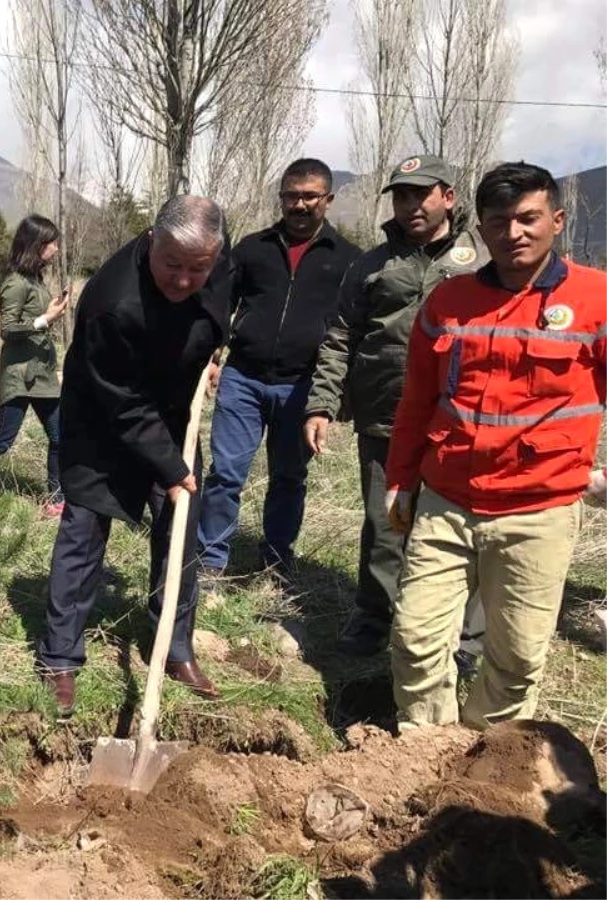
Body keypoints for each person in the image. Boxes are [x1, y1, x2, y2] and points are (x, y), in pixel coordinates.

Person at [384, 161, 607, 730]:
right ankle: (423, 745)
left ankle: (488, 760)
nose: (514, 233)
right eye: (499, 222)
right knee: (414, 638)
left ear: (557, 220)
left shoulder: (595, 299)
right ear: (480, 230)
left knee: (515, 657)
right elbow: (416, 403)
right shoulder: (448, 302)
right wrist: (398, 481)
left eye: (528, 218)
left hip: (539, 511)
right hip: (447, 500)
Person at [38, 195, 231, 715]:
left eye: (199, 268)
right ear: (151, 240)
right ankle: (60, 656)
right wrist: (170, 468)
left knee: (181, 525)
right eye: (172, 265)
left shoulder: (212, 258)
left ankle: (174, 645)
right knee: (85, 528)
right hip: (104, 417)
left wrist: (213, 354)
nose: (185, 279)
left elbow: (219, 307)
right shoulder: (110, 303)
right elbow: (123, 406)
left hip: (174, 412)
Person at [304, 154, 486, 656]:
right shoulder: (372, 264)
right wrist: (321, 404)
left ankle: (466, 639)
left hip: (461, 422)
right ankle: (373, 618)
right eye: (401, 196)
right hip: (384, 414)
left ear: (447, 196)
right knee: (386, 522)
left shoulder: (484, 260)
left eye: (420, 194)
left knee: (460, 526)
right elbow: (340, 336)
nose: (410, 206)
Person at [197, 159, 360, 577]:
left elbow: (350, 332)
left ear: (328, 199)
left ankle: (275, 561)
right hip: (243, 379)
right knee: (225, 475)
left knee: (288, 479)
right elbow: (221, 304)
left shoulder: (347, 259)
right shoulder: (253, 248)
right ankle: (211, 561)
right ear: (281, 197)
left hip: (301, 387)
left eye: (310, 196)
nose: (300, 205)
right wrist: (214, 357)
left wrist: (337, 394)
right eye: (292, 195)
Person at [0, 214, 69, 525]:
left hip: (43, 374)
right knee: (3, 440)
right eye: (51, 243)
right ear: (36, 245)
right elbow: (7, 329)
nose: (56, 248)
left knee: (60, 436)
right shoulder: (16, 282)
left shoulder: (34, 279)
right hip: (20, 375)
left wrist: (50, 312)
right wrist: (46, 319)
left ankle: (55, 498)